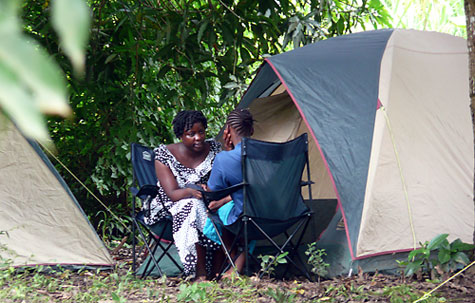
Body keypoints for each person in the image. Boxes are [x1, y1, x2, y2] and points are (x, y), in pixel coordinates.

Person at [143, 110, 221, 279]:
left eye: (201, 132)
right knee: (191, 205)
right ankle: (198, 272)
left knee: (220, 206)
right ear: (180, 135)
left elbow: (223, 180)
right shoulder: (164, 155)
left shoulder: (215, 150)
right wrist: (192, 191)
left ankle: (216, 269)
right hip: (168, 208)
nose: (198, 138)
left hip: (207, 203)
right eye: (190, 134)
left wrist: (207, 190)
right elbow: (172, 193)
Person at [205, 108, 254, 274]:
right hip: (279, 215)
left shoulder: (225, 158)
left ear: (228, 130)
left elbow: (213, 192)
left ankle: (235, 264)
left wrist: (227, 151)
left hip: (246, 219)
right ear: (252, 130)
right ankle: (240, 260)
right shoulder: (269, 153)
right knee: (248, 209)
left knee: (218, 211)